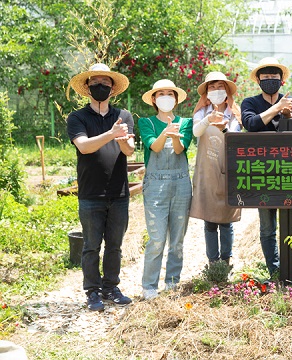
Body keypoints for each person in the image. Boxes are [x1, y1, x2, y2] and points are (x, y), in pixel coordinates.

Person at [66, 63, 135, 311]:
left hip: (119, 192)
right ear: (87, 87)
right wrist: (112, 133)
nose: (100, 87)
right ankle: (92, 291)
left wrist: (124, 139)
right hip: (90, 193)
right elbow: (84, 146)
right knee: (91, 246)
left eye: (105, 84)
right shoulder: (77, 118)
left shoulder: (124, 116)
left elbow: (130, 149)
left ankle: (111, 287)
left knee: (114, 245)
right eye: (95, 83)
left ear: (112, 88)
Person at [241, 57, 292, 277]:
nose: (270, 80)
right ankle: (274, 271)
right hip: (263, 173)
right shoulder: (250, 103)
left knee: (291, 223)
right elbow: (250, 125)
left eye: (274, 77)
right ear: (258, 80)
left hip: (290, 172)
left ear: (282, 80)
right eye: (266, 77)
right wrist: (276, 108)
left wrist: (288, 114)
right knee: (267, 227)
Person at [138, 79, 193, 300]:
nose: (166, 97)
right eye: (161, 94)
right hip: (156, 185)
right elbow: (155, 146)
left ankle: (172, 283)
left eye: (170, 94)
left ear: (176, 99)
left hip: (180, 183)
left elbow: (180, 150)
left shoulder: (186, 122)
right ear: (153, 99)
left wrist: (176, 136)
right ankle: (149, 286)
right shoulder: (146, 123)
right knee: (157, 238)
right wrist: (167, 133)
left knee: (177, 240)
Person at [190, 71, 242, 265]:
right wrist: (208, 120)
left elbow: (235, 139)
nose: (216, 90)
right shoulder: (201, 113)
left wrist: (224, 128)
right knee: (210, 220)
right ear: (206, 92)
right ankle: (213, 262)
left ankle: (226, 261)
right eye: (212, 87)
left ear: (227, 91)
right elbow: (197, 131)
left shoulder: (233, 114)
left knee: (226, 220)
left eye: (220, 86)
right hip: (207, 172)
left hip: (228, 170)